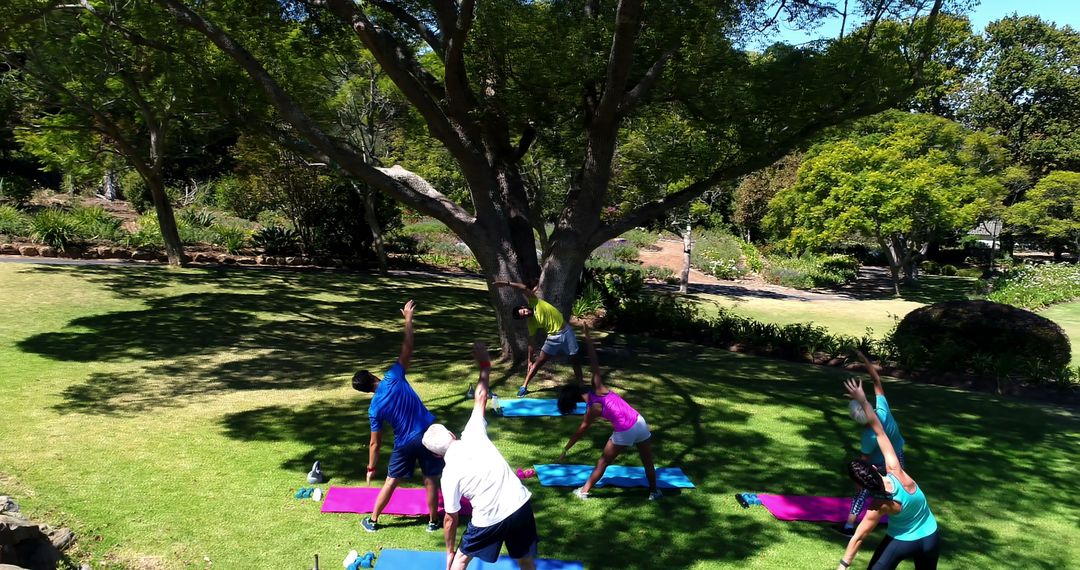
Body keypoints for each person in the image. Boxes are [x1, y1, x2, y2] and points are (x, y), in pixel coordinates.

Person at [421, 342, 539, 570]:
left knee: (461, 560)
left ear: (436, 456)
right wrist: (484, 366)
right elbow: (482, 396)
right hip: (520, 503)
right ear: (452, 434)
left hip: (489, 519)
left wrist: (449, 552)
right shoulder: (473, 432)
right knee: (524, 558)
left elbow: (450, 518)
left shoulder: (448, 476)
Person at [351, 300, 443, 533]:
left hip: (405, 443)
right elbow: (408, 347)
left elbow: (375, 442)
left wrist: (371, 467)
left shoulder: (374, 408)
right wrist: (408, 320)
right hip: (427, 433)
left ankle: (373, 520)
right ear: (373, 375)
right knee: (431, 478)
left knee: (392, 480)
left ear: (364, 391)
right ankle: (433, 522)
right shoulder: (393, 376)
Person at [838, 377, 940, 570]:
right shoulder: (895, 468)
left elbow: (859, 537)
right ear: (876, 468)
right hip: (931, 537)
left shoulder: (878, 506)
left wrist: (843, 566)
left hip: (903, 542)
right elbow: (880, 432)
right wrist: (863, 401)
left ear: (863, 487)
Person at [556, 325, 662, 501]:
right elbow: (594, 361)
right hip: (639, 421)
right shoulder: (599, 389)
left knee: (603, 462)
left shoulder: (591, 410)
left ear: (575, 401)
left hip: (625, 430)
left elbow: (580, 431)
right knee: (648, 462)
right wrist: (588, 337)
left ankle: (583, 491)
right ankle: (654, 492)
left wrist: (566, 450)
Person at [839, 350, 907, 536]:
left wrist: (858, 480)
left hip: (878, 464)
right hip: (897, 457)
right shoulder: (882, 409)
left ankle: (849, 527)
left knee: (862, 491)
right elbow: (877, 381)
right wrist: (865, 361)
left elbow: (864, 461)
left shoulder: (868, 436)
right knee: (898, 488)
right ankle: (901, 522)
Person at [492, 280, 583, 397]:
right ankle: (524, 386)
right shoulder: (531, 323)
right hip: (553, 337)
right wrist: (530, 360)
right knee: (539, 362)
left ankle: (581, 386)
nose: (525, 313)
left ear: (524, 307)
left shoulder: (534, 302)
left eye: (523, 311)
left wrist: (506, 284)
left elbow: (524, 287)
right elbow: (531, 342)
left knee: (575, 359)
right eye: (522, 315)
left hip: (567, 333)